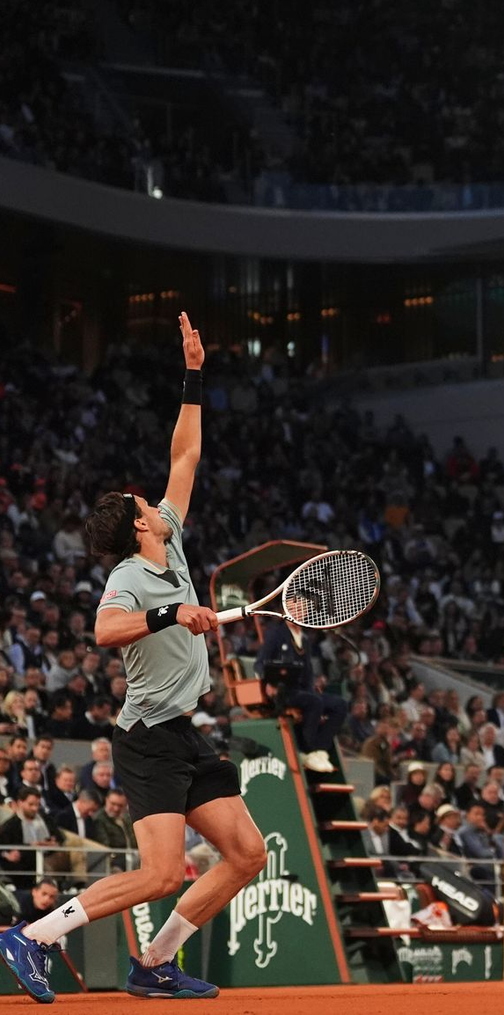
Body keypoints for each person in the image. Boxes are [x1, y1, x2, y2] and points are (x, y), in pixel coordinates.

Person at [0, 314, 267, 1004]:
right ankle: (33, 936)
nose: (149, 496)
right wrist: (172, 613)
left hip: (183, 731)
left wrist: (194, 373)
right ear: (138, 523)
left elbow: (186, 455)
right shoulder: (128, 576)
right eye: (141, 501)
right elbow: (103, 630)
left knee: (247, 854)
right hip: (147, 738)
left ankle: (154, 963)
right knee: (159, 875)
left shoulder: (168, 536)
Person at [255, 616, 348, 773]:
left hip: (302, 690)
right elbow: (260, 663)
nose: (299, 613)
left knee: (340, 705)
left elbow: (307, 673)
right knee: (314, 702)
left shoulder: (304, 639)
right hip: (282, 691)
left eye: (303, 609)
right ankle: (307, 749)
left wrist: (313, 687)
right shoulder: (276, 634)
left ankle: (320, 749)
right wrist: (267, 683)